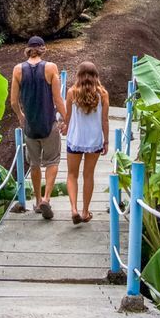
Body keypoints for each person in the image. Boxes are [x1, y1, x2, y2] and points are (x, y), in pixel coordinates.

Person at [10, 35, 67, 220]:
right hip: (48, 123)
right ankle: (47, 198)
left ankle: (37, 200)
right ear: (43, 49)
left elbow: (13, 102)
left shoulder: (18, 70)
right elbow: (58, 100)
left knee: (34, 164)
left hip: (31, 126)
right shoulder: (50, 68)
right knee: (52, 162)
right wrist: (67, 119)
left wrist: (21, 116)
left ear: (28, 50)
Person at [63, 62, 109, 224]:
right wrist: (106, 140)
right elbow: (104, 120)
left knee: (71, 175)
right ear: (96, 76)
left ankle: (74, 208)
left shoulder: (71, 93)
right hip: (94, 140)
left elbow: (67, 117)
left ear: (79, 75)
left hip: (75, 139)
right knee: (88, 175)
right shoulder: (102, 94)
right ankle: (85, 212)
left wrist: (66, 127)